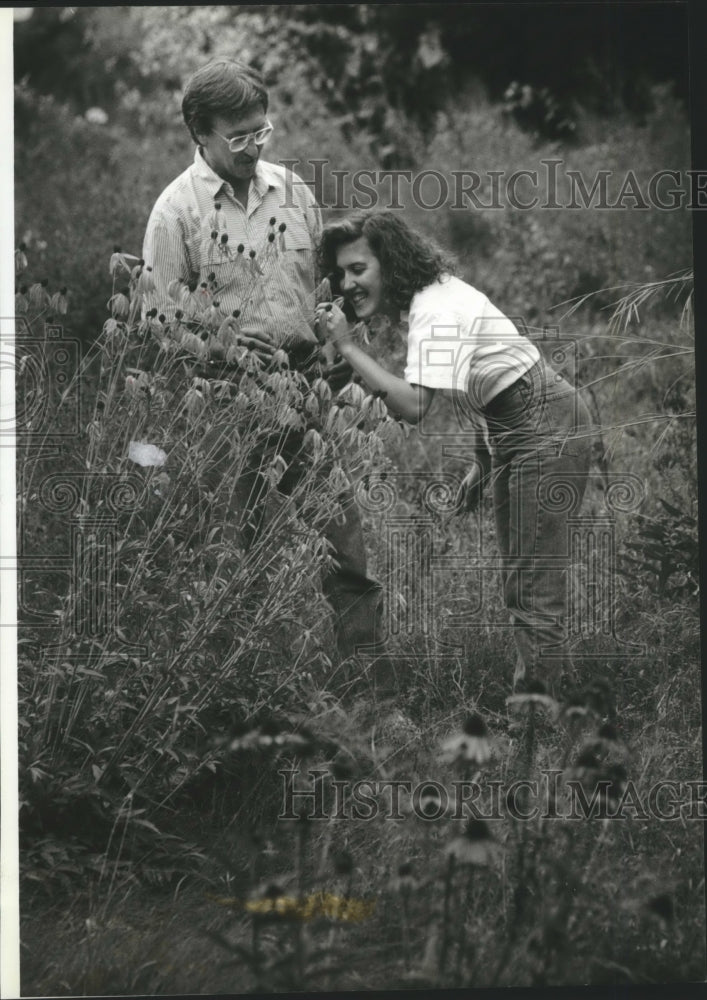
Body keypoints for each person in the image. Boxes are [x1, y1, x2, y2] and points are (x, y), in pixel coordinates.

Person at [141, 60, 392, 697]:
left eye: (263, 131)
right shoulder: (176, 214)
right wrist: (221, 341)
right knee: (236, 560)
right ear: (201, 132)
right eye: (240, 137)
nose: (257, 147)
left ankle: (372, 703)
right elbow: (157, 325)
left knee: (346, 553)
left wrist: (333, 331)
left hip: (309, 393)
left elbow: (319, 290)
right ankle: (245, 706)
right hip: (227, 405)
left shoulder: (293, 190)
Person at [317, 210, 593, 698]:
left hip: (547, 431)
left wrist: (347, 346)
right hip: (522, 429)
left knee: (533, 593)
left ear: (390, 261)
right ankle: (548, 710)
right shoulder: (435, 296)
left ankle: (535, 731)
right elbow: (495, 376)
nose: (347, 283)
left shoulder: (435, 308)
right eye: (340, 273)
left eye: (358, 269)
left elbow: (415, 406)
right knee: (523, 588)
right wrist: (484, 462)